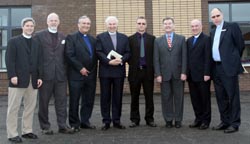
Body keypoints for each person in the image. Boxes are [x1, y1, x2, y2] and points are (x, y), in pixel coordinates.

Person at [34, 13, 73, 135]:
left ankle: (62, 125)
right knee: (43, 102)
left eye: (55, 20)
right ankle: (45, 126)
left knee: (61, 102)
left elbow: (66, 56)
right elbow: (35, 56)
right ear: (47, 22)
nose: (53, 22)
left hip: (60, 76)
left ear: (59, 22)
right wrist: (37, 75)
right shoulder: (39, 36)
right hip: (45, 76)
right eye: (51, 20)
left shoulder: (63, 36)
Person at [5, 17, 43, 143]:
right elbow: (10, 60)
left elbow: (39, 62)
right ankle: (12, 133)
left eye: (31, 26)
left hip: (33, 81)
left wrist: (40, 77)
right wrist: (12, 75)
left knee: (30, 107)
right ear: (22, 27)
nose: (29, 28)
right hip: (17, 80)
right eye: (27, 25)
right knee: (14, 108)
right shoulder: (13, 41)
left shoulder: (37, 43)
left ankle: (27, 131)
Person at [210, 8, 245, 133]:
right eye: (213, 17)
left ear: (222, 15)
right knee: (221, 97)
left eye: (217, 15)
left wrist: (233, 60)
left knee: (233, 97)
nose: (216, 18)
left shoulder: (232, 26)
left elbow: (240, 45)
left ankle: (234, 124)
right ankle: (225, 122)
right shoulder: (213, 31)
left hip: (229, 68)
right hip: (216, 68)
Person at [96, 16, 130, 130]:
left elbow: (128, 52)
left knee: (118, 97)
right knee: (105, 97)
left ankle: (116, 120)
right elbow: (99, 52)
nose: (112, 26)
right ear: (106, 25)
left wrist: (121, 60)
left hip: (119, 72)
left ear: (117, 24)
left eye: (114, 24)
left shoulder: (124, 38)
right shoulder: (100, 37)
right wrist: (109, 61)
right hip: (105, 72)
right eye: (110, 24)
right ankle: (106, 121)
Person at [65, 16, 97, 132]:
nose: (86, 25)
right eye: (84, 23)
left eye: (88, 23)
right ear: (78, 24)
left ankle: (85, 121)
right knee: (74, 100)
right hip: (76, 75)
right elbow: (69, 55)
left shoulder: (93, 39)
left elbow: (96, 56)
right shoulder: (71, 38)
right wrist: (81, 68)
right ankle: (74, 123)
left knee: (88, 100)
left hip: (90, 75)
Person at [154, 17, 187, 128]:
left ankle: (178, 120)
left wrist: (184, 72)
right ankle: (168, 120)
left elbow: (184, 57)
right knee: (166, 98)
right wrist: (158, 74)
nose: (167, 25)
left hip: (178, 74)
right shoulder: (158, 41)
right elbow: (156, 59)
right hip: (164, 75)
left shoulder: (181, 39)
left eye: (169, 23)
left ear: (173, 25)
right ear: (163, 26)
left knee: (179, 98)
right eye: (165, 24)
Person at [128, 16, 156, 128]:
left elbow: (155, 56)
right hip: (135, 72)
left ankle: (149, 119)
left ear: (146, 25)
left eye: (143, 23)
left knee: (149, 97)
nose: (141, 25)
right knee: (134, 97)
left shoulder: (152, 39)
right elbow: (127, 55)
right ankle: (135, 119)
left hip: (148, 72)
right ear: (136, 25)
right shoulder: (129, 39)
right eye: (139, 23)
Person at [186, 19, 212, 130]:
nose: (194, 28)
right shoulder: (189, 40)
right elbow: (187, 58)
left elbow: (208, 57)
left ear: (201, 26)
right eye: (192, 26)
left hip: (203, 76)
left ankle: (206, 121)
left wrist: (207, 73)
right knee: (195, 99)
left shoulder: (206, 39)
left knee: (204, 99)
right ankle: (198, 119)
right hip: (191, 76)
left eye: (196, 26)